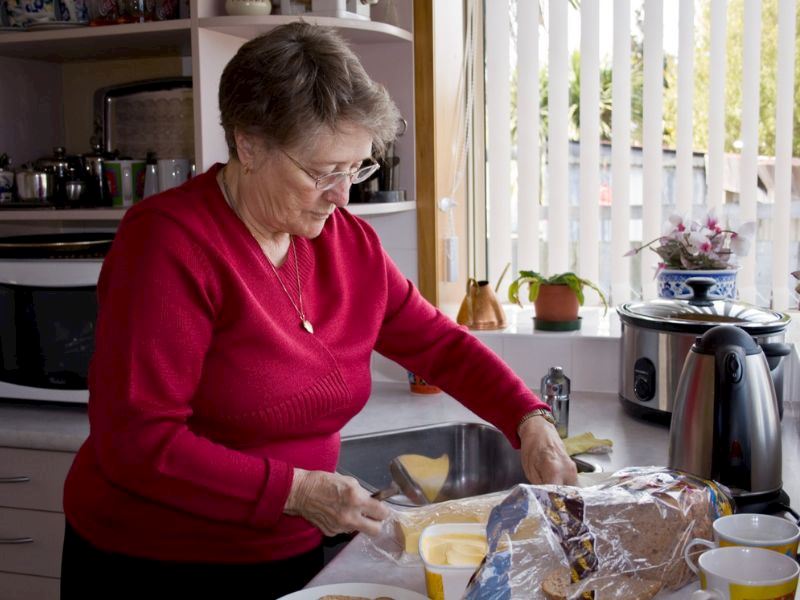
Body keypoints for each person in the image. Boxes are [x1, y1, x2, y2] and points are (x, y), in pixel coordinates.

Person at [61, 22, 576, 599]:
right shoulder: (167, 244)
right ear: (249, 144)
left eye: (356, 168)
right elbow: (137, 442)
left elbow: (439, 345)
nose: (343, 195)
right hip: (156, 564)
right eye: (321, 172)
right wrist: (297, 491)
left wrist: (530, 421)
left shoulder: (347, 242)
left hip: (291, 551)